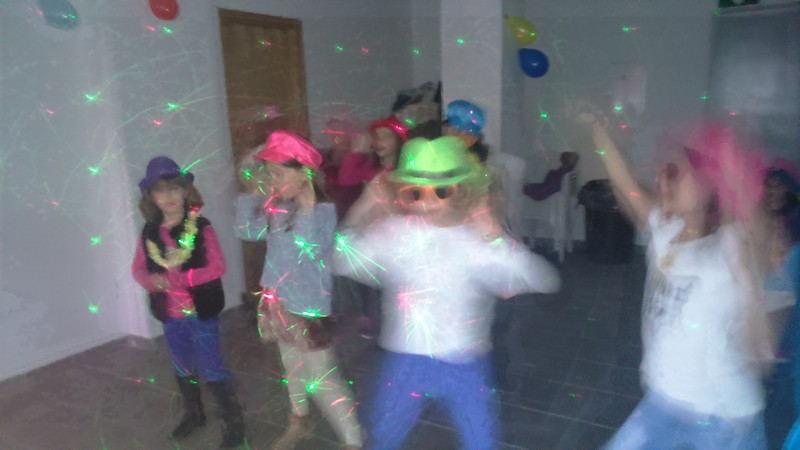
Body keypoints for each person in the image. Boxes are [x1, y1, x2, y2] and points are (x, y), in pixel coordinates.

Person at [333, 136, 560, 450]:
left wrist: (495, 235)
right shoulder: (395, 234)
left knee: (482, 442)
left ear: (461, 192)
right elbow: (340, 260)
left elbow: (542, 279)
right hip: (406, 360)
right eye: (416, 192)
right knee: (382, 438)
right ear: (403, 193)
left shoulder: (473, 240)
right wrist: (362, 209)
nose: (428, 202)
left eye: (441, 191)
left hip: (463, 362)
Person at [570, 105, 773, 449]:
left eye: (676, 172)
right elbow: (625, 183)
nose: (664, 179)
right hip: (664, 401)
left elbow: (759, 232)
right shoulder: (665, 231)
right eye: (664, 171)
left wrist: (730, 168)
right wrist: (598, 131)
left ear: (710, 185)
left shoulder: (729, 245)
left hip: (721, 417)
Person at [233, 131, 362, 450]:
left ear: (304, 174)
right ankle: (299, 422)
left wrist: (304, 208)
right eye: (269, 175)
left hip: (309, 309)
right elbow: (246, 231)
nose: (272, 182)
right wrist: (252, 193)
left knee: (322, 378)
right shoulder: (279, 208)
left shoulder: (322, 212)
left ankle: (353, 440)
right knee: (292, 366)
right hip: (278, 301)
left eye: (278, 174)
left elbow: (305, 251)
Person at [131, 157, 245, 447]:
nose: (168, 196)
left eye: (174, 188)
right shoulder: (149, 232)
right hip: (170, 314)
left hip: (199, 312)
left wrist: (183, 278)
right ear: (151, 197)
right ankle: (194, 413)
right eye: (160, 190)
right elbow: (138, 269)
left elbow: (217, 266)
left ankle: (233, 422)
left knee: (211, 366)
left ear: (185, 191)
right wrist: (151, 280)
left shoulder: (201, 228)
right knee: (182, 364)